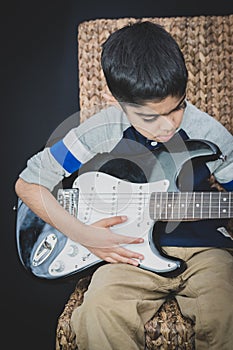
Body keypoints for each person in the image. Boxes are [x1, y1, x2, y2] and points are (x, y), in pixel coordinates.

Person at [15, 21, 233, 349]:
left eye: (178, 107)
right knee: (98, 312)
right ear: (119, 100)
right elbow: (28, 184)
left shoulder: (207, 130)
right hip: (126, 252)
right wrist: (83, 233)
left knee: (227, 311)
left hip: (206, 251)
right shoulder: (102, 129)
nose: (169, 124)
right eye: (150, 118)